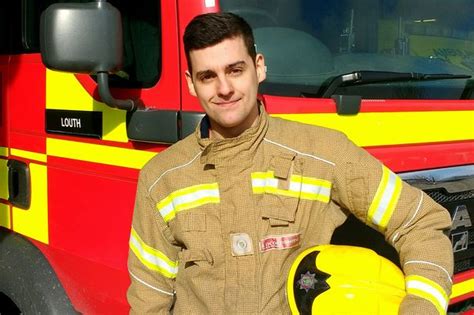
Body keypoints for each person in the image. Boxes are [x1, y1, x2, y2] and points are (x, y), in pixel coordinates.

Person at [127, 12, 453, 314]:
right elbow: (149, 296)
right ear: (190, 82)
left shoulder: (322, 153)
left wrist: (421, 306)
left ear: (259, 67)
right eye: (208, 76)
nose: (224, 88)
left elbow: (420, 222)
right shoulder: (161, 179)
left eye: (235, 70)